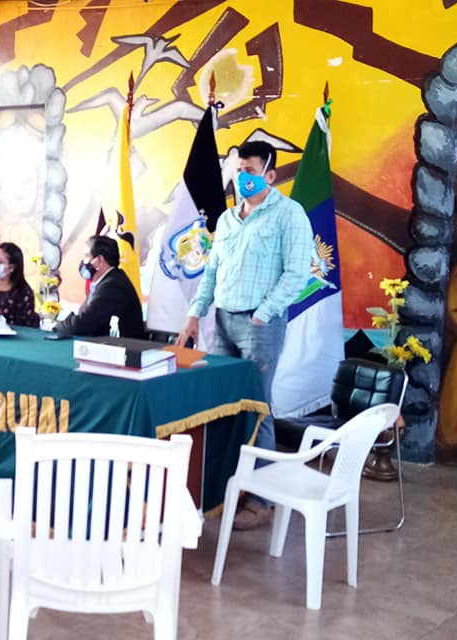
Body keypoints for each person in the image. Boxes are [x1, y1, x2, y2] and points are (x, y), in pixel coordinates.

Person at [175, 140, 313, 531]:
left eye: (250, 171)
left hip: (259, 326)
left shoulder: (289, 215)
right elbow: (212, 272)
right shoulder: (227, 219)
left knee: (256, 407)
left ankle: (261, 500)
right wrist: (194, 315)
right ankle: (224, 488)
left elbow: (297, 274)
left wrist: (263, 314)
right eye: (238, 171)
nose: (242, 179)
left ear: (270, 175)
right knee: (222, 405)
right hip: (222, 321)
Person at [53, 235, 144, 339]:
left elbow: (84, 323)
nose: (83, 262)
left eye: (86, 256)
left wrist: (57, 326)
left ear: (100, 260)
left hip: (123, 347)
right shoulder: (106, 280)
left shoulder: (113, 285)